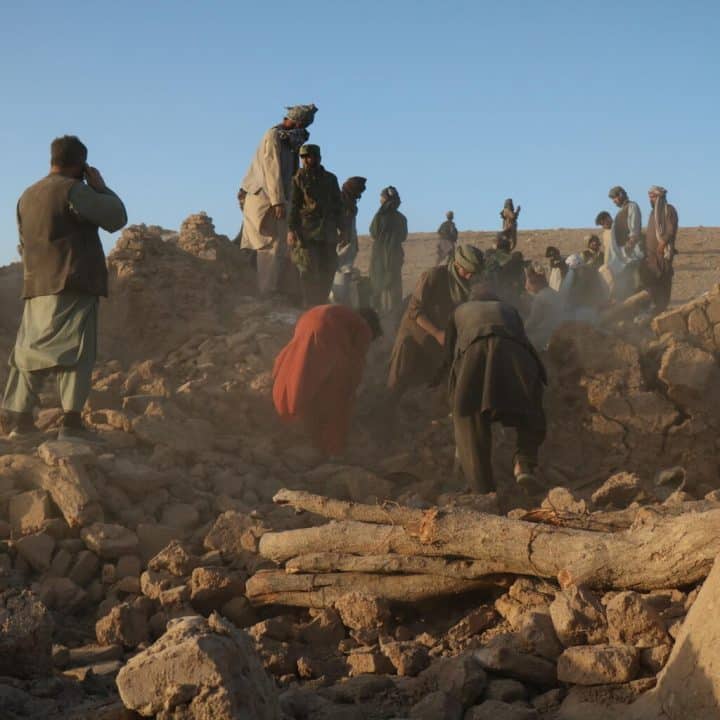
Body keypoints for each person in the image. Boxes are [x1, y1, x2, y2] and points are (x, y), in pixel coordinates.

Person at [1, 135, 127, 440]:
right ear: (81, 164)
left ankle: (20, 420)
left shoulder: (27, 196)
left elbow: (23, 240)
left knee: (30, 351)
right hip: (72, 282)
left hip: (37, 285)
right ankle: (71, 423)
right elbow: (116, 217)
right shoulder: (75, 190)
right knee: (77, 350)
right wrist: (100, 187)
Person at [445, 284, 546, 493]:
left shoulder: (459, 312)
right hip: (515, 354)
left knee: (468, 418)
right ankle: (523, 463)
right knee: (530, 407)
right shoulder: (509, 310)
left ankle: (483, 488)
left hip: (475, 354)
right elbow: (525, 343)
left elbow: (450, 356)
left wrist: (453, 395)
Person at [272, 304, 382, 456]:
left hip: (306, 320)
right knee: (340, 391)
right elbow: (355, 365)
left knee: (301, 371)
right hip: (325, 330)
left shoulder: (342, 314)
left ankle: (290, 412)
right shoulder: (363, 327)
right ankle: (333, 449)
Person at [238, 104, 318, 296]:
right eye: (303, 124)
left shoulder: (289, 141)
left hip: (279, 197)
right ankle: (265, 292)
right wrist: (278, 202)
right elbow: (271, 170)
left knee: (280, 246)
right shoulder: (274, 136)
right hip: (265, 199)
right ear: (298, 122)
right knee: (268, 245)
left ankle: (269, 290)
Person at [387, 245, 483, 397]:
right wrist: (437, 333)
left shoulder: (468, 286)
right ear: (457, 264)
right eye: (467, 271)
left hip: (440, 339)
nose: (469, 277)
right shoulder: (434, 276)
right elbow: (414, 310)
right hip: (414, 334)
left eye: (473, 273)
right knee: (399, 378)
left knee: (432, 383)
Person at [287, 144, 343, 308]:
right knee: (309, 271)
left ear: (317, 157)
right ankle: (310, 306)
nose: (305, 160)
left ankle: (321, 303)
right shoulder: (298, 178)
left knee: (329, 268)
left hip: (328, 232)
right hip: (307, 232)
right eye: (303, 157)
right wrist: (291, 229)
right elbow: (294, 206)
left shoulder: (330, 179)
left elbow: (338, 205)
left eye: (308, 156)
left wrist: (343, 229)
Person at [369, 186, 408, 313]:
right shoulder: (402, 218)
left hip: (380, 253)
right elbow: (403, 236)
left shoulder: (379, 216)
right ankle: (397, 313)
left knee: (376, 282)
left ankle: (377, 311)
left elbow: (373, 232)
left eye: (382, 197)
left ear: (385, 199)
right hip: (395, 254)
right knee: (395, 282)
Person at [642, 185, 678, 313]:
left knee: (663, 282)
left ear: (659, 197)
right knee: (652, 283)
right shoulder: (653, 213)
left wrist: (663, 243)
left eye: (652, 197)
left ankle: (662, 310)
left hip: (662, 255)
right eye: (650, 197)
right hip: (652, 257)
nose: (650, 199)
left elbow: (670, 229)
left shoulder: (669, 210)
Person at [331, 176, 367, 306]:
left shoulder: (349, 202)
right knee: (340, 272)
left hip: (347, 245)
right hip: (342, 245)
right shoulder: (341, 202)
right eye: (358, 192)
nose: (359, 196)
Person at [524, 264, 565, 350]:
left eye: (528, 285)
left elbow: (534, 321)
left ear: (535, 284)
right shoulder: (553, 293)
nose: (526, 288)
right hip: (560, 331)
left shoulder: (540, 298)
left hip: (545, 335)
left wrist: (522, 329)